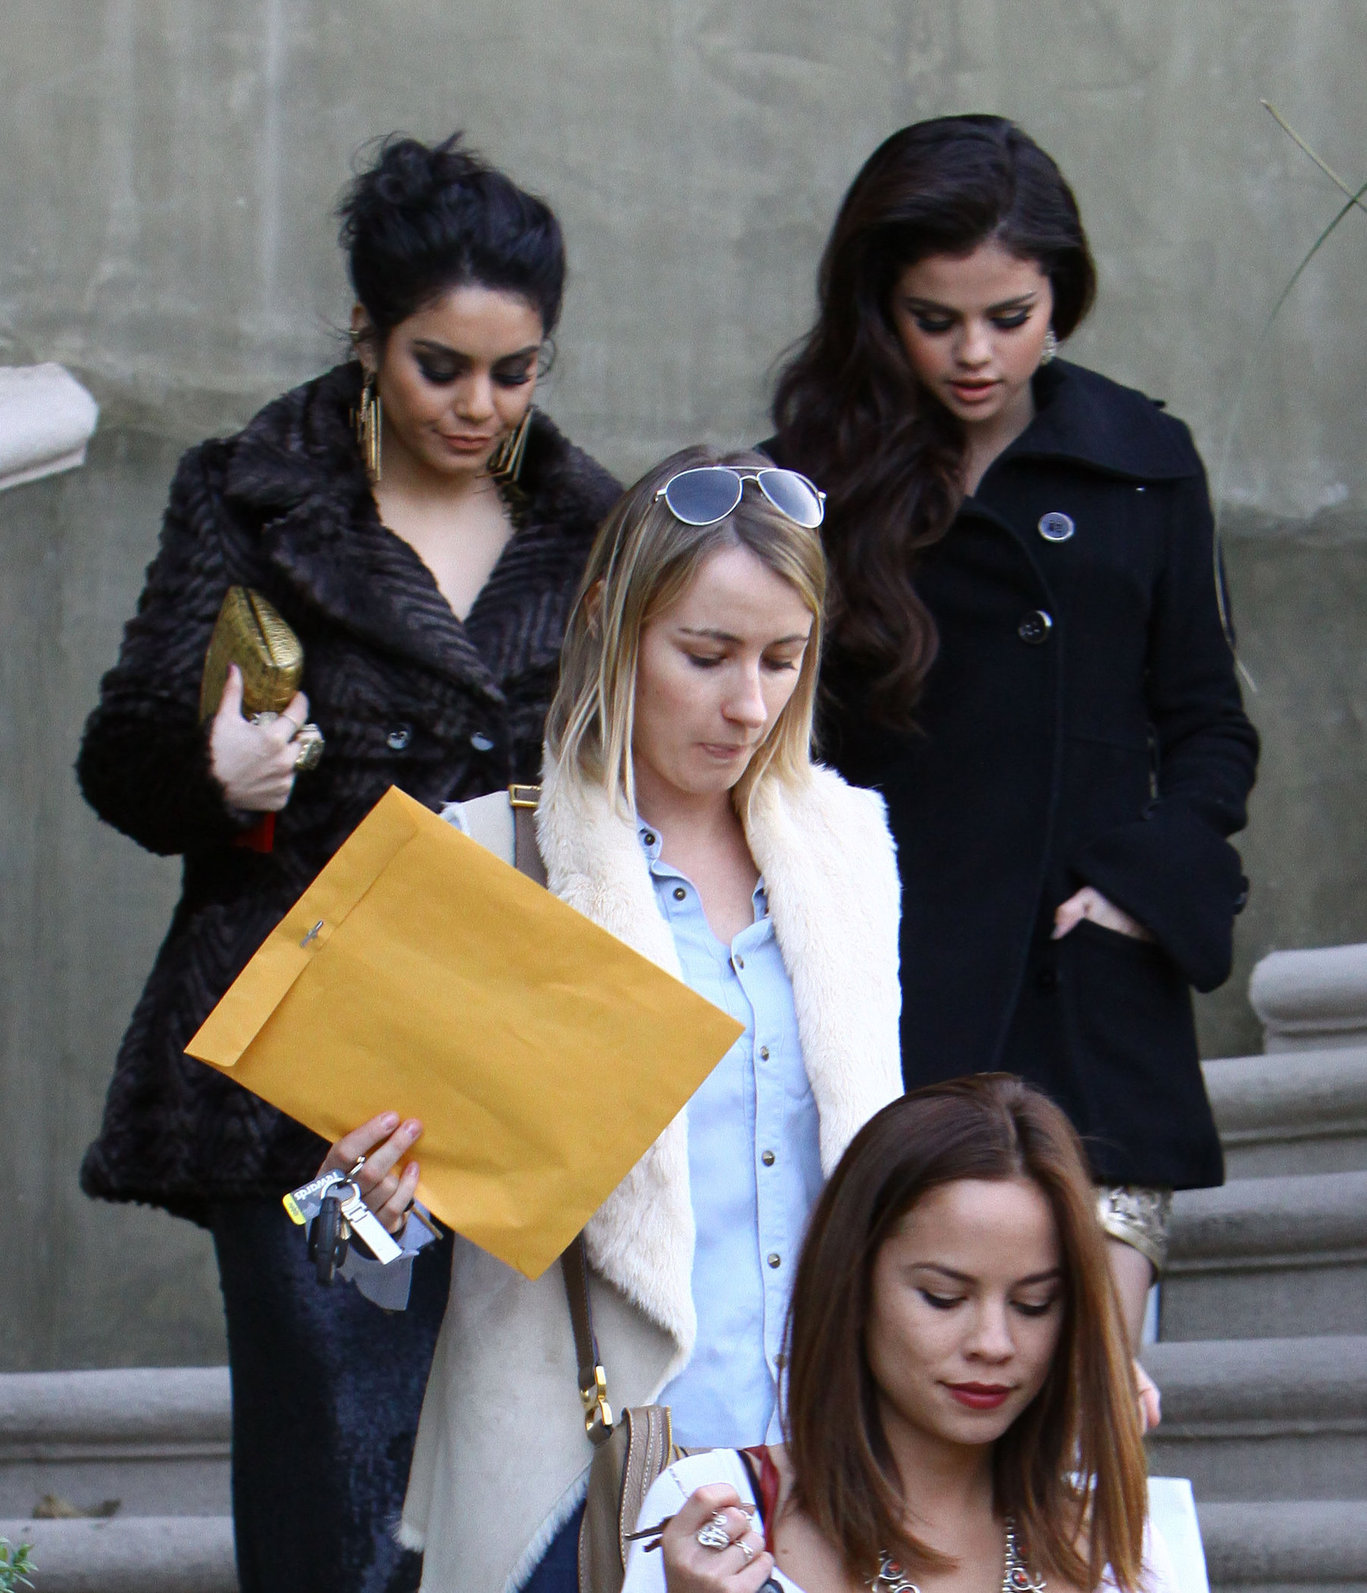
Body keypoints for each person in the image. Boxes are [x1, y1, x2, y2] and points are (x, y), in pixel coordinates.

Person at [75, 133, 620, 1593]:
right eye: (440, 364)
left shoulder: (592, 527)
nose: (479, 404)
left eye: (515, 371)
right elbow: (119, 751)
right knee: (336, 1471)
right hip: (303, 1068)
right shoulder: (248, 495)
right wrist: (218, 776)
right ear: (367, 335)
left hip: (508, 1051)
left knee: (518, 1476)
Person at [323, 446, 903, 1593]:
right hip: (577, 1467)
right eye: (706, 654)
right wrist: (376, 1198)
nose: (748, 703)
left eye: (784, 659)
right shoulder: (486, 854)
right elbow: (365, 1242)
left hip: (821, 1457)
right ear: (610, 623)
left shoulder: (848, 849)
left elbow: (881, 1173)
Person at [766, 115, 1260, 1348]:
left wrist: (1138, 892)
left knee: (1091, 1435)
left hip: (1084, 985)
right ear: (877, 309)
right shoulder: (805, 487)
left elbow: (1207, 729)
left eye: (1010, 315)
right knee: (908, 1417)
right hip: (884, 982)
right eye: (935, 320)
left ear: (1061, 299)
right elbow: (763, 744)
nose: (975, 354)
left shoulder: (1143, 464)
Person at [622, 1075, 1174, 1593]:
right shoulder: (716, 1514)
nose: (993, 1342)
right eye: (944, 1297)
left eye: (1034, 1305)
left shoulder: (1117, 1539)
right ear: (853, 1285)